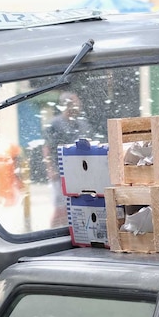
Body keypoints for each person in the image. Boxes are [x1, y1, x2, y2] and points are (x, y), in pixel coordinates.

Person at [42, 91, 92, 227]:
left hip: (80, 172)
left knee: (79, 205)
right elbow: (47, 147)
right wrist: (50, 169)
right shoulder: (55, 124)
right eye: (75, 103)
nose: (79, 105)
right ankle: (54, 233)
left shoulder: (82, 124)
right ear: (67, 105)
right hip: (60, 172)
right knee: (60, 206)